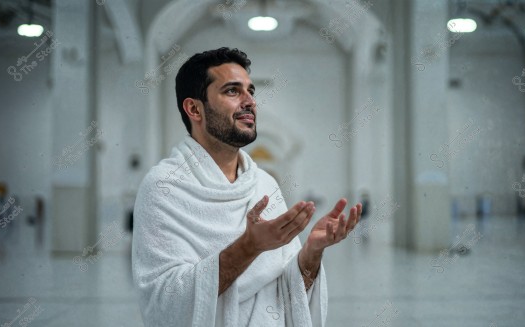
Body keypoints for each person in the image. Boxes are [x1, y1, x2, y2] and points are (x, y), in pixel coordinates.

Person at [132, 47, 362, 327]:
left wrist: (311, 254)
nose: (250, 101)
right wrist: (249, 246)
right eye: (232, 91)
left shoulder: (263, 183)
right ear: (194, 108)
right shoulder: (163, 187)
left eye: (250, 91)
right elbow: (165, 304)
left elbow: (287, 290)